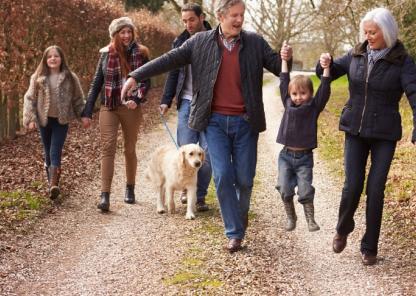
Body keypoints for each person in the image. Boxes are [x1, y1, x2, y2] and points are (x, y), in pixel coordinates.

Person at [121, 0, 293, 252]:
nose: (239, 20)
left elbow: (280, 68)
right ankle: (234, 232)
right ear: (221, 16)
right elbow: (169, 59)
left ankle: (239, 214)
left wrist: (287, 58)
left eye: (242, 15)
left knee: (244, 180)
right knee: (222, 176)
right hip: (213, 123)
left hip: (246, 122)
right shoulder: (200, 42)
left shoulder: (255, 43)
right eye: (234, 15)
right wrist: (136, 75)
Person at [316, 7, 416, 265]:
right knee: (352, 185)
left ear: (387, 32)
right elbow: (327, 71)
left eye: (373, 32)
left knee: (375, 189)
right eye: (366, 32)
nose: (368, 36)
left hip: (384, 132)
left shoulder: (402, 60)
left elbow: (414, 93)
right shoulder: (356, 53)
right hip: (355, 130)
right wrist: (323, 63)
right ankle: (342, 228)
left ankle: (369, 247)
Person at [82, 16, 150, 212]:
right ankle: (105, 195)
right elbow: (97, 83)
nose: (127, 35)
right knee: (108, 147)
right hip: (109, 105)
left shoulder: (142, 52)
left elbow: (146, 81)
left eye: (129, 31)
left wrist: (136, 100)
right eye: (123, 32)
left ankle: (130, 188)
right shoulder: (105, 54)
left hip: (130, 107)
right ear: (115, 35)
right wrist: (88, 110)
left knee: (129, 148)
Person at [159, 3, 212, 212]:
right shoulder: (180, 41)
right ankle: (185, 188)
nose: (188, 24)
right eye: (184, 21)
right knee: (186, 151)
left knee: (207, 153)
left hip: (210, 104)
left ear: (201, 17)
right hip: (187, 102)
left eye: (191, 19)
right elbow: (173, 72)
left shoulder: (215, 39)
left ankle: (198, 196)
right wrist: (166, 99)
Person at [276, 44, 331, 232]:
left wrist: (326, 69)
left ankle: (310, 219)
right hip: (285, 156)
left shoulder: (314, 107)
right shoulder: (287, 103)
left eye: (302, 93)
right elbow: (284, 80)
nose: (298, 97)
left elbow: (325, 89)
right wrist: (284, 60)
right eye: (294, 94)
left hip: (304, 158)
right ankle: (291, 217)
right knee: (284, 189)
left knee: (306, 190)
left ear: (310, 94)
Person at [23, 45, 85, 199]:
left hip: (61, 121)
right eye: (49, 56)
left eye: (56, 56)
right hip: (44, 121)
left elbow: (78, 99)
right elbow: (29, 98)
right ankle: (51, 181)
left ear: (61, 58)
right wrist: (30, 118)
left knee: (54, 149)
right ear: (45, 60)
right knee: (47, 152)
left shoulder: (70, 77)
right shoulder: (37, 77)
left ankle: (53, 185)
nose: (53, 59)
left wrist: (83, 115)